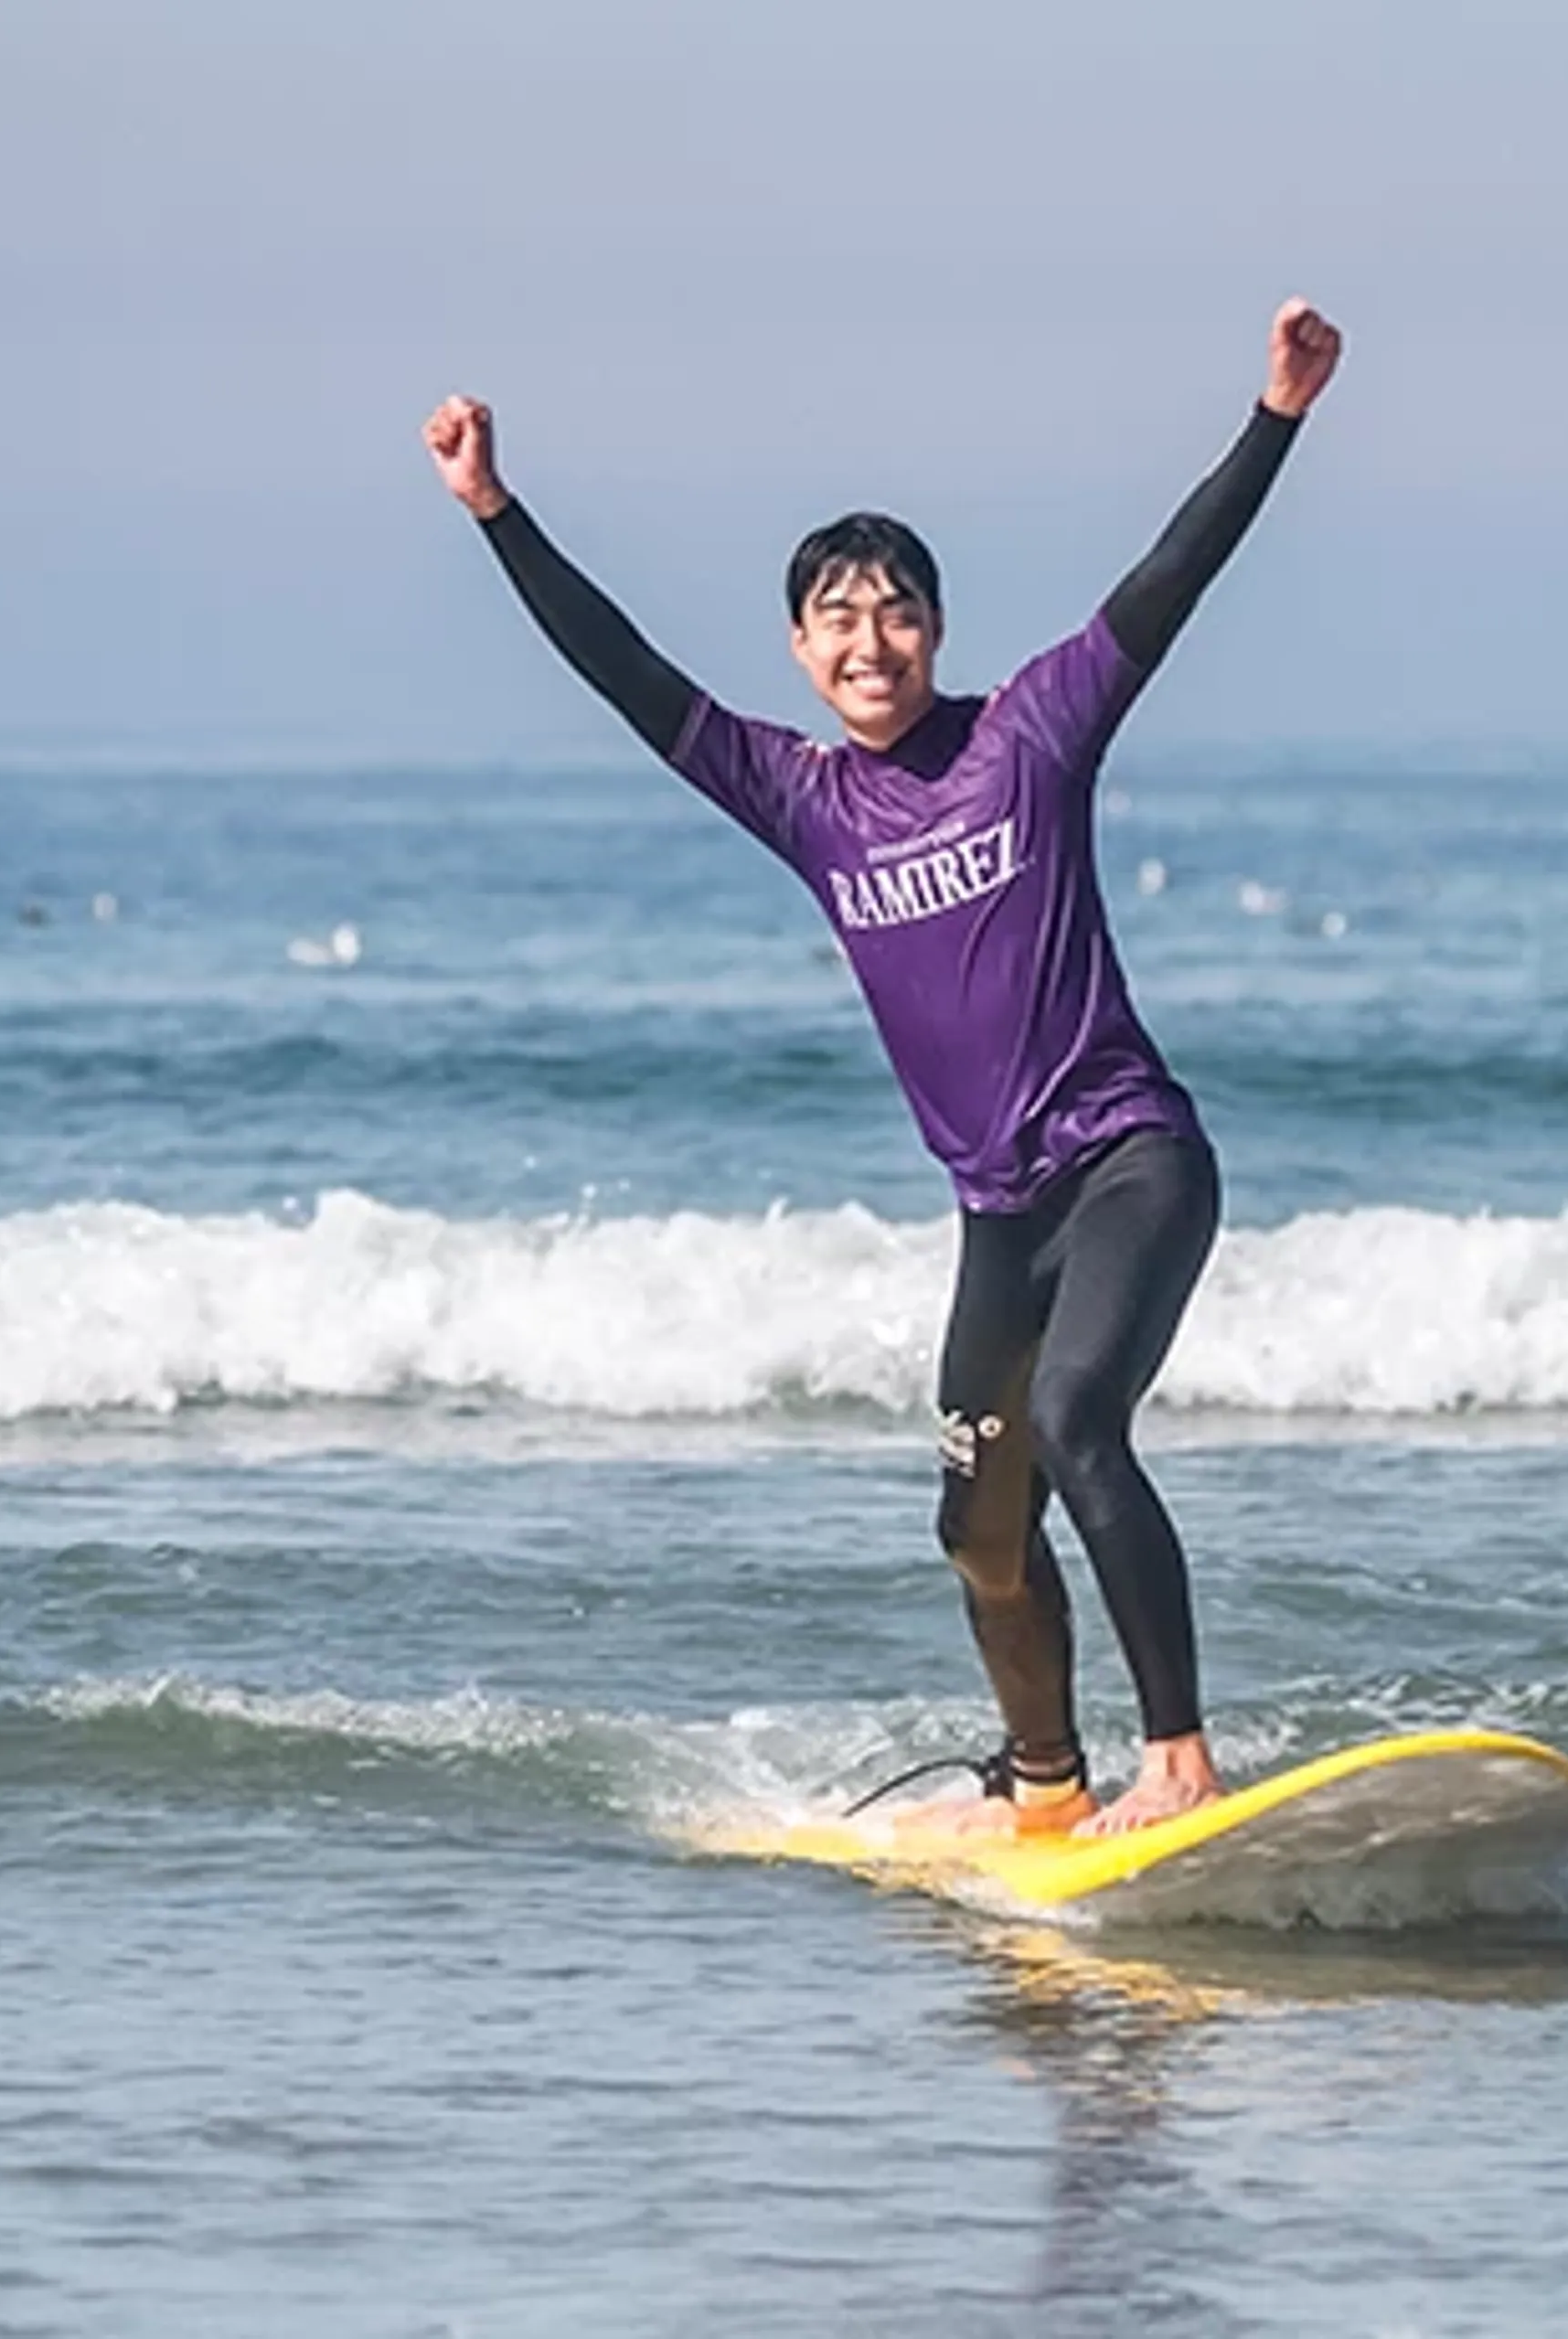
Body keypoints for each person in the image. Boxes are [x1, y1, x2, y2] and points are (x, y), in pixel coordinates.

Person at [423, 300, 1342, 1837]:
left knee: (1079, 1421)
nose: (870, 639)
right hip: (1000, 1215)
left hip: (1130, 1161)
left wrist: (1277, 415)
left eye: (898, 611)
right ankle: (1044, 1780)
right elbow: (629, 676)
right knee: (977, 1525)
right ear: (801, 649)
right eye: (838, 619)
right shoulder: (801, 798)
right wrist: (496, 514)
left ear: (936, 630)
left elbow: (1169, 582)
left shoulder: (1034, 735)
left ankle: (1177, 1753)